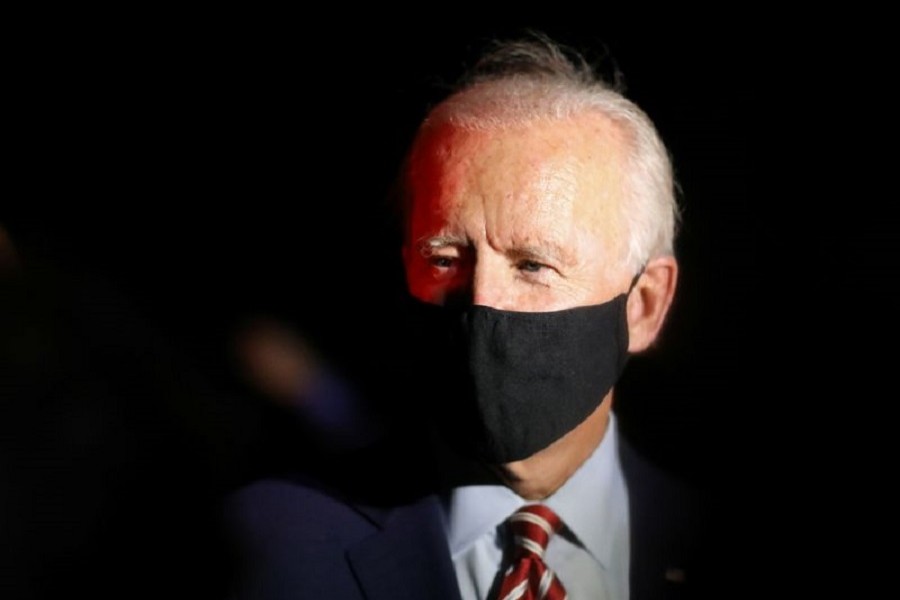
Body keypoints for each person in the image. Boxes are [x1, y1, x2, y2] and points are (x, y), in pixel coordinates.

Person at [222, 32, 715, 599]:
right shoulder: (263, 552)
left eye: (532, 265)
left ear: (645, 304)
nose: (484, 302)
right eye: (445, 259)